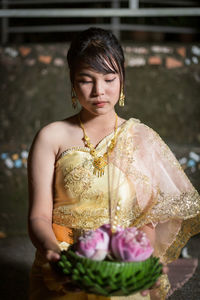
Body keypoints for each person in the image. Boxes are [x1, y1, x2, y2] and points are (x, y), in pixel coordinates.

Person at [28, 27, 200, 300]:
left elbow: (148, 220)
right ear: (72, 82)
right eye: (86, 80)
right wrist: (54, 255)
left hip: (122, 265)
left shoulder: (140, 137)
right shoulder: (51, 137)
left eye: (109, 79)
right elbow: (38, 216)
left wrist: (140, 260)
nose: (99, 91)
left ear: (122, 81)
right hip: (64, 262)